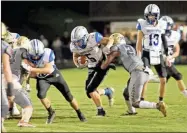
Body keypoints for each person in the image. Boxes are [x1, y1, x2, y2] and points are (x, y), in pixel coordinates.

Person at [101, 33, 167, 117]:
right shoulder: (130, 47)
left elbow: (107, 58)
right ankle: (131, 111)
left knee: (135, 102)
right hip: (144, 71)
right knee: (126, 93)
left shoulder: (117, 47)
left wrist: (101, 66)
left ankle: (157, 105)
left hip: (137, 73)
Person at [22, 39, 86, 124]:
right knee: (41, 95)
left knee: (68, 96)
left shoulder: (48, 53)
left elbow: (48, 70)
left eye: (38, 55)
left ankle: (79, 112)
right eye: (34, 56)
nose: (36, 57)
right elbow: (27, 73)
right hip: (42, 78)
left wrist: (31, 69)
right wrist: (28, 82)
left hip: (54, 75)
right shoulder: (25, 57)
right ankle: (51, 112)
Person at [70, 26, 115, 116]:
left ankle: (101, 111)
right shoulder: (74, 46)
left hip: (102, 64)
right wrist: (78, 64)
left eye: (79, 41)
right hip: (91, 65)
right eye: (75, 42)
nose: (77, 44)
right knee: (89, 92)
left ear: (86, 37)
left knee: (90, 89)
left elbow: (110, 39)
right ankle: (108, 91)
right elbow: (75, 56)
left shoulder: (93, 37)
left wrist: (108, 47)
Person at [136, 4, 170, 102]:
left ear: (157, 15)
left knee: (163, 79)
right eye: (149, 15)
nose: (151, 17)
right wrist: (138, 57)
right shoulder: (142, 24)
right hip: (146, 53)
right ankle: (141, 100)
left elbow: (164, 40)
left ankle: (161, 101)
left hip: (158, 53)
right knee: (145, 78)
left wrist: (167, 55)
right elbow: (139, 43)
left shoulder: (162, 24)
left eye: (153, 15)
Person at [160, 16, 187, 97]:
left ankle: (140, 82)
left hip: (169, 60)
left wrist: (171, 57)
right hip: (162, 60)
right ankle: (185, 93)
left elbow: (177, 51)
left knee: (162, 80)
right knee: (177, 75)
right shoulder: (158, 36)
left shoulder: (175, 35)